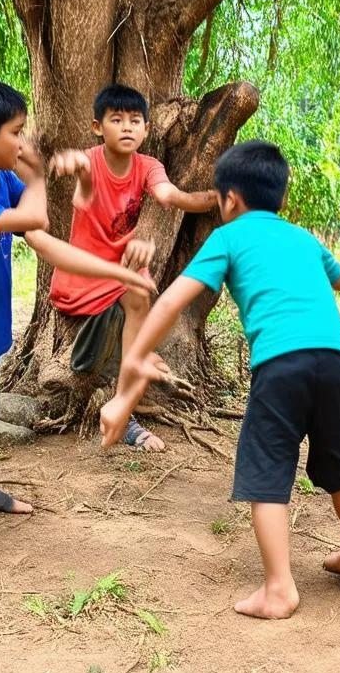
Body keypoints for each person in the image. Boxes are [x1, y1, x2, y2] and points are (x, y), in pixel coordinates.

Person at [100, 140, 340, 619]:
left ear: (229, 200)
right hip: (333, 363)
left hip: (280, 366)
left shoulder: (227, 238)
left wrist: (136, 359)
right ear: (280, 199)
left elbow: (170, 301)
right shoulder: (302, 238)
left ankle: (279, 589)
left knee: (266, 474)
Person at [0, 76, 156, 575]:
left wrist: (115, 271)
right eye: (17, 133)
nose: (24, 144)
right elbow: (37, 220)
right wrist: (41, 179)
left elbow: (44, 243)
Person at [48, 83, 216, 451]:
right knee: (138, 292)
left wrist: (215, 199)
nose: (126, 127)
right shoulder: (89, 161)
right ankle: (138, 361)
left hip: (122, 270)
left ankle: (124, 399)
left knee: (141, 291)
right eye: (117, 119)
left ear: (147, 129)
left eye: (135, 120)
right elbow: (84, 188)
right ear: (97, 127)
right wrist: (77, 169)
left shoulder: (148, 166)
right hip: (86, 271)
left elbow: (169, 196)